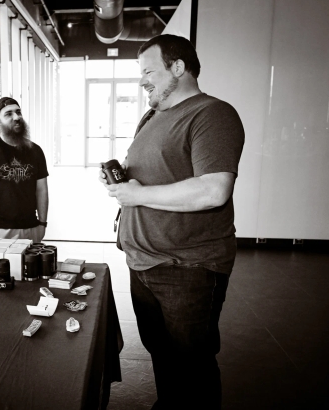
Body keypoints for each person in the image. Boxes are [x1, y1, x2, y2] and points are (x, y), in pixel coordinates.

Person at [99, 34, 245, 409]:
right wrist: (122, 181)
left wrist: (139, 195)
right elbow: (157, 174)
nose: (142, 80)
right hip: (144, 261)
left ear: (177, 68)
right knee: (162, 354)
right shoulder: (153, 116)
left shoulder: (212, 114)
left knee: (192, 364)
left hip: (187, 266)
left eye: (149, 71)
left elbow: (214, 189)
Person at [0, 97, 49, 242]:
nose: (17, 117)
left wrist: (42, 224)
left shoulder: (35, 151)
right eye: (9, 114)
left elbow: (42, 190)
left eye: (18, 112)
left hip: (31, 228)